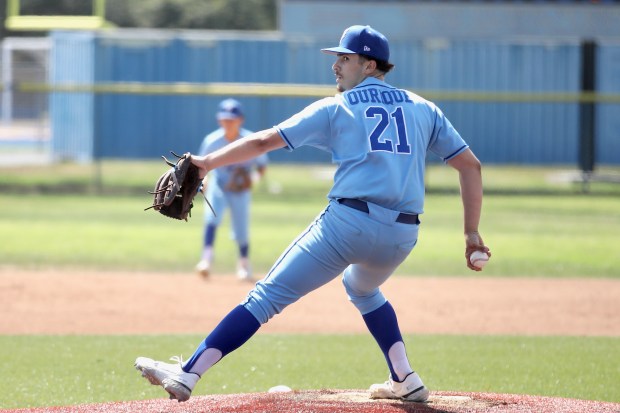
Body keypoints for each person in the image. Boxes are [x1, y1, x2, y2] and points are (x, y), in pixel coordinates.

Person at [135, 25, 490, 403]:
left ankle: (188, 374)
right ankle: (404, 377)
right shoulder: (424, 108)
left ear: (370, 65)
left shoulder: (338, 106)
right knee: (362, 287)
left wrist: (206, 162)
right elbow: (471, 166)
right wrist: (471, 234)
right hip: (401, 236)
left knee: (266, 297)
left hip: (348, 225)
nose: (336, 66)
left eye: (345, 58)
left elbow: (262, 141)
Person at [194, 98, 268, 281]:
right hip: (219, 186)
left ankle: (243, 265)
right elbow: (200, 167)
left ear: (240, 119)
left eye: (232, 119)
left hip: (241, 190)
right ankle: (206, 261)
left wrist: (252, 180)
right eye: (225, 119)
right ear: (219, 120)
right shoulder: (212, 141)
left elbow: (261, 167)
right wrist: (205, 182)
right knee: (211, 219)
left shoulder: (250, 140)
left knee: (241, 228)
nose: (228, 123)